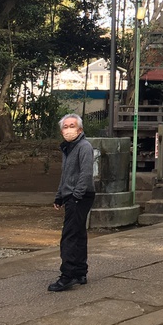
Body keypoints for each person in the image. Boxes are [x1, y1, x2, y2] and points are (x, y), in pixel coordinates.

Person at [49, 113, 95, 292]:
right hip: (71, 194)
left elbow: (86, 173)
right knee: (79, 233)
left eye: (72, 126)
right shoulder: (67, 148)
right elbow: (65, 174)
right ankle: (80, 272)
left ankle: (67, 275)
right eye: (65, 127)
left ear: (80, 129)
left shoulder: (84, 146)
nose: (68, 129)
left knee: (69, 236)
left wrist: (76, 196)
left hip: (81, 196)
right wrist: (59, 196)